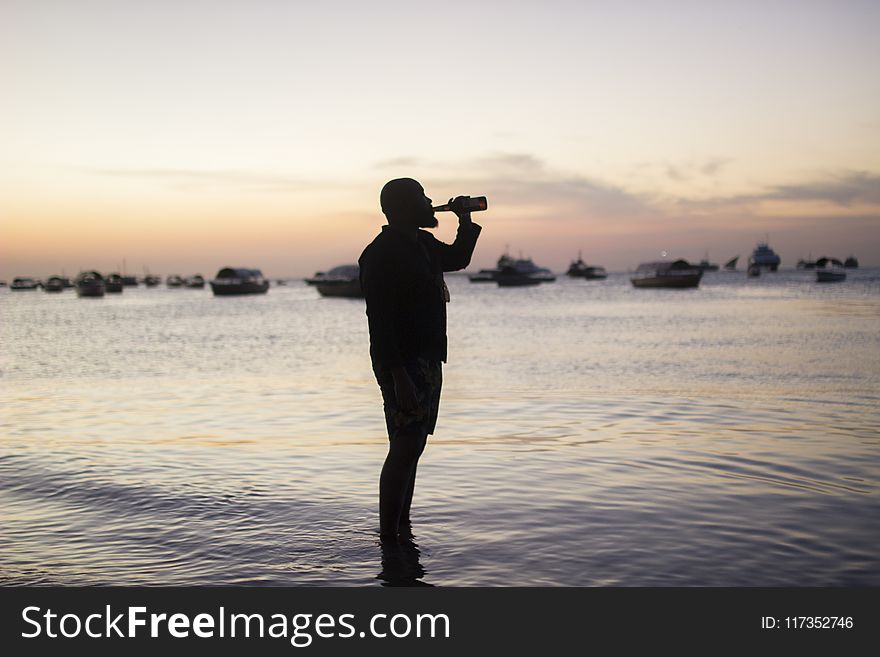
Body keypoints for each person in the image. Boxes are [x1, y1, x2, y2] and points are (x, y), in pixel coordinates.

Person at [359, 178, 482, 543]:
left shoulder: (422, 243)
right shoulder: (380, 254)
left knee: (414, 445)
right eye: (422, 198)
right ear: (402, 207)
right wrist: (398, 375)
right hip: (401, 363)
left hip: (427, 358)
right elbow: (379, 321)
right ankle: (388, 539)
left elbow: (458, 259)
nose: (431, 203)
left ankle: (401, 531)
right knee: (405, 444)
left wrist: (464, 220)